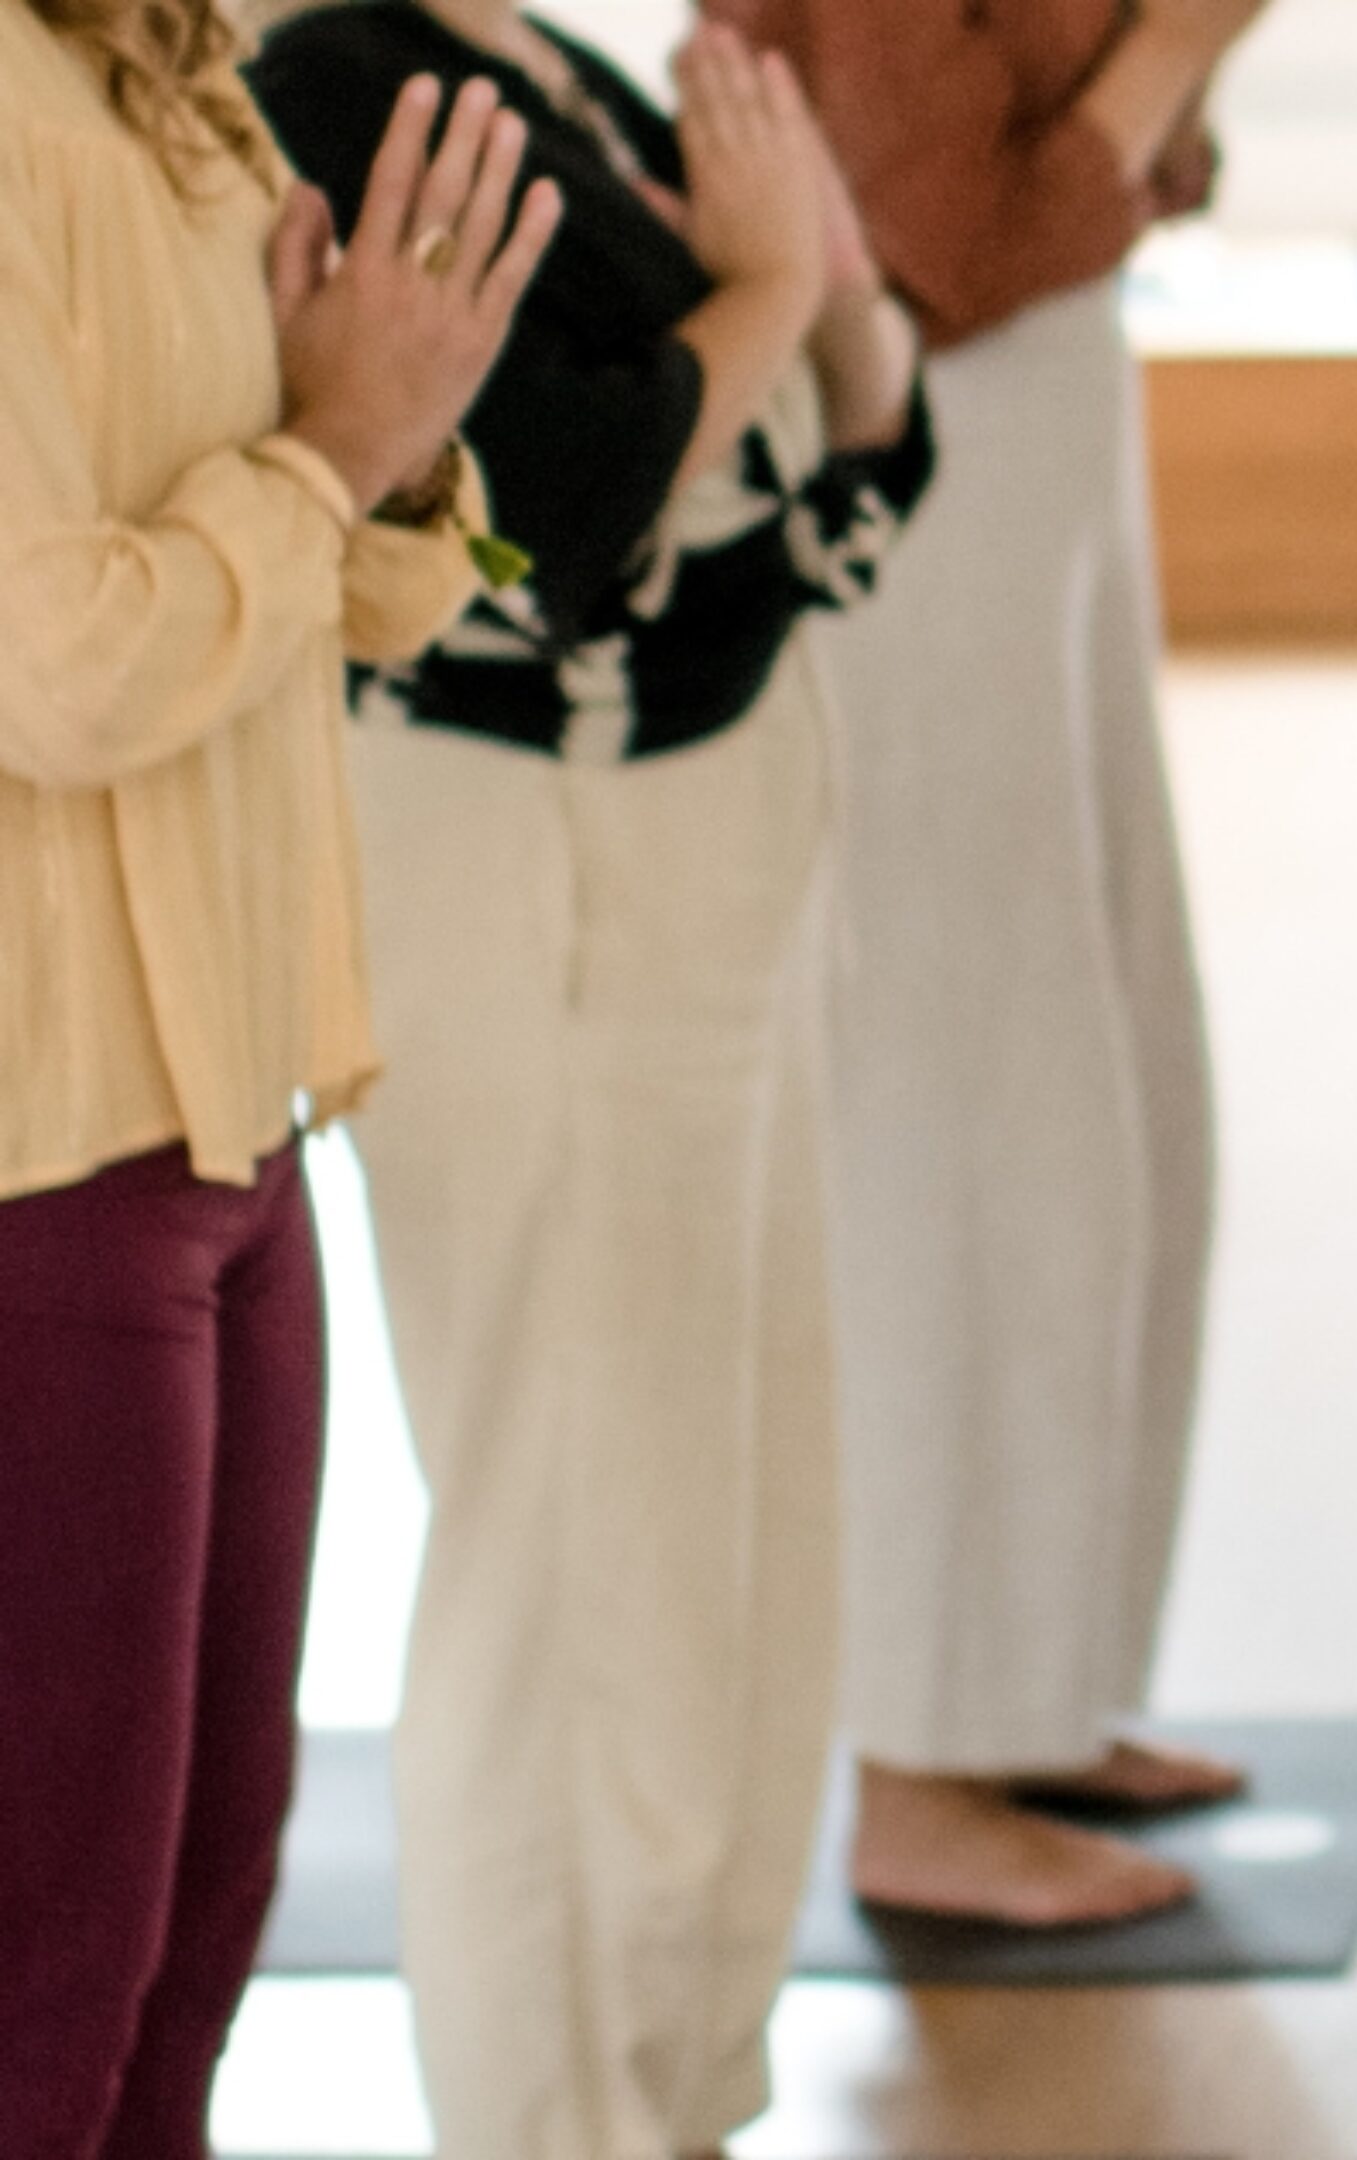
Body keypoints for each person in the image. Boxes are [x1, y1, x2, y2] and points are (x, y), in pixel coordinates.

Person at [244, 6, 926, 2152]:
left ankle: (691, 2088)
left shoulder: (526, 40)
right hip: (517, 871)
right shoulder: (329, 75)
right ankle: (555, 2121)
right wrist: (773, 296)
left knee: (740, 1515)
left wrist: (812, 308)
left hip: (711, 836)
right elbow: (568, 526)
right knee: (561, 1541)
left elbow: (870, 459)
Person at [0, 3, 549, 2147]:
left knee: (197, 1933)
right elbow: (45, 660)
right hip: (46, 1166)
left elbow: (369, 589)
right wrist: (327, 456)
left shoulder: (185, 94)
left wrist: (392, 447)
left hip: (237, 1117)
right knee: (51, 1975)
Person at [693, 0, 1267, 1931]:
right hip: (916, 426)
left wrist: (1164, 89)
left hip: (1043, 416)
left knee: (1122, 1077)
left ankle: (1030, 1694)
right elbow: (940, 230)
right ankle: (920, 1774)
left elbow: (1102, 172)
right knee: (974, 1104)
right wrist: (1178, 46)